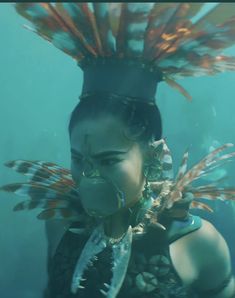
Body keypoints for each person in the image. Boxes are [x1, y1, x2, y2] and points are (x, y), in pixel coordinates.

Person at [2, 3, 235, 298]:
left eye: (109, 160)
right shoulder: (58, 221)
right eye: (78, 159)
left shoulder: (198, 242)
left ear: (151, 156)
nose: (88, 178)